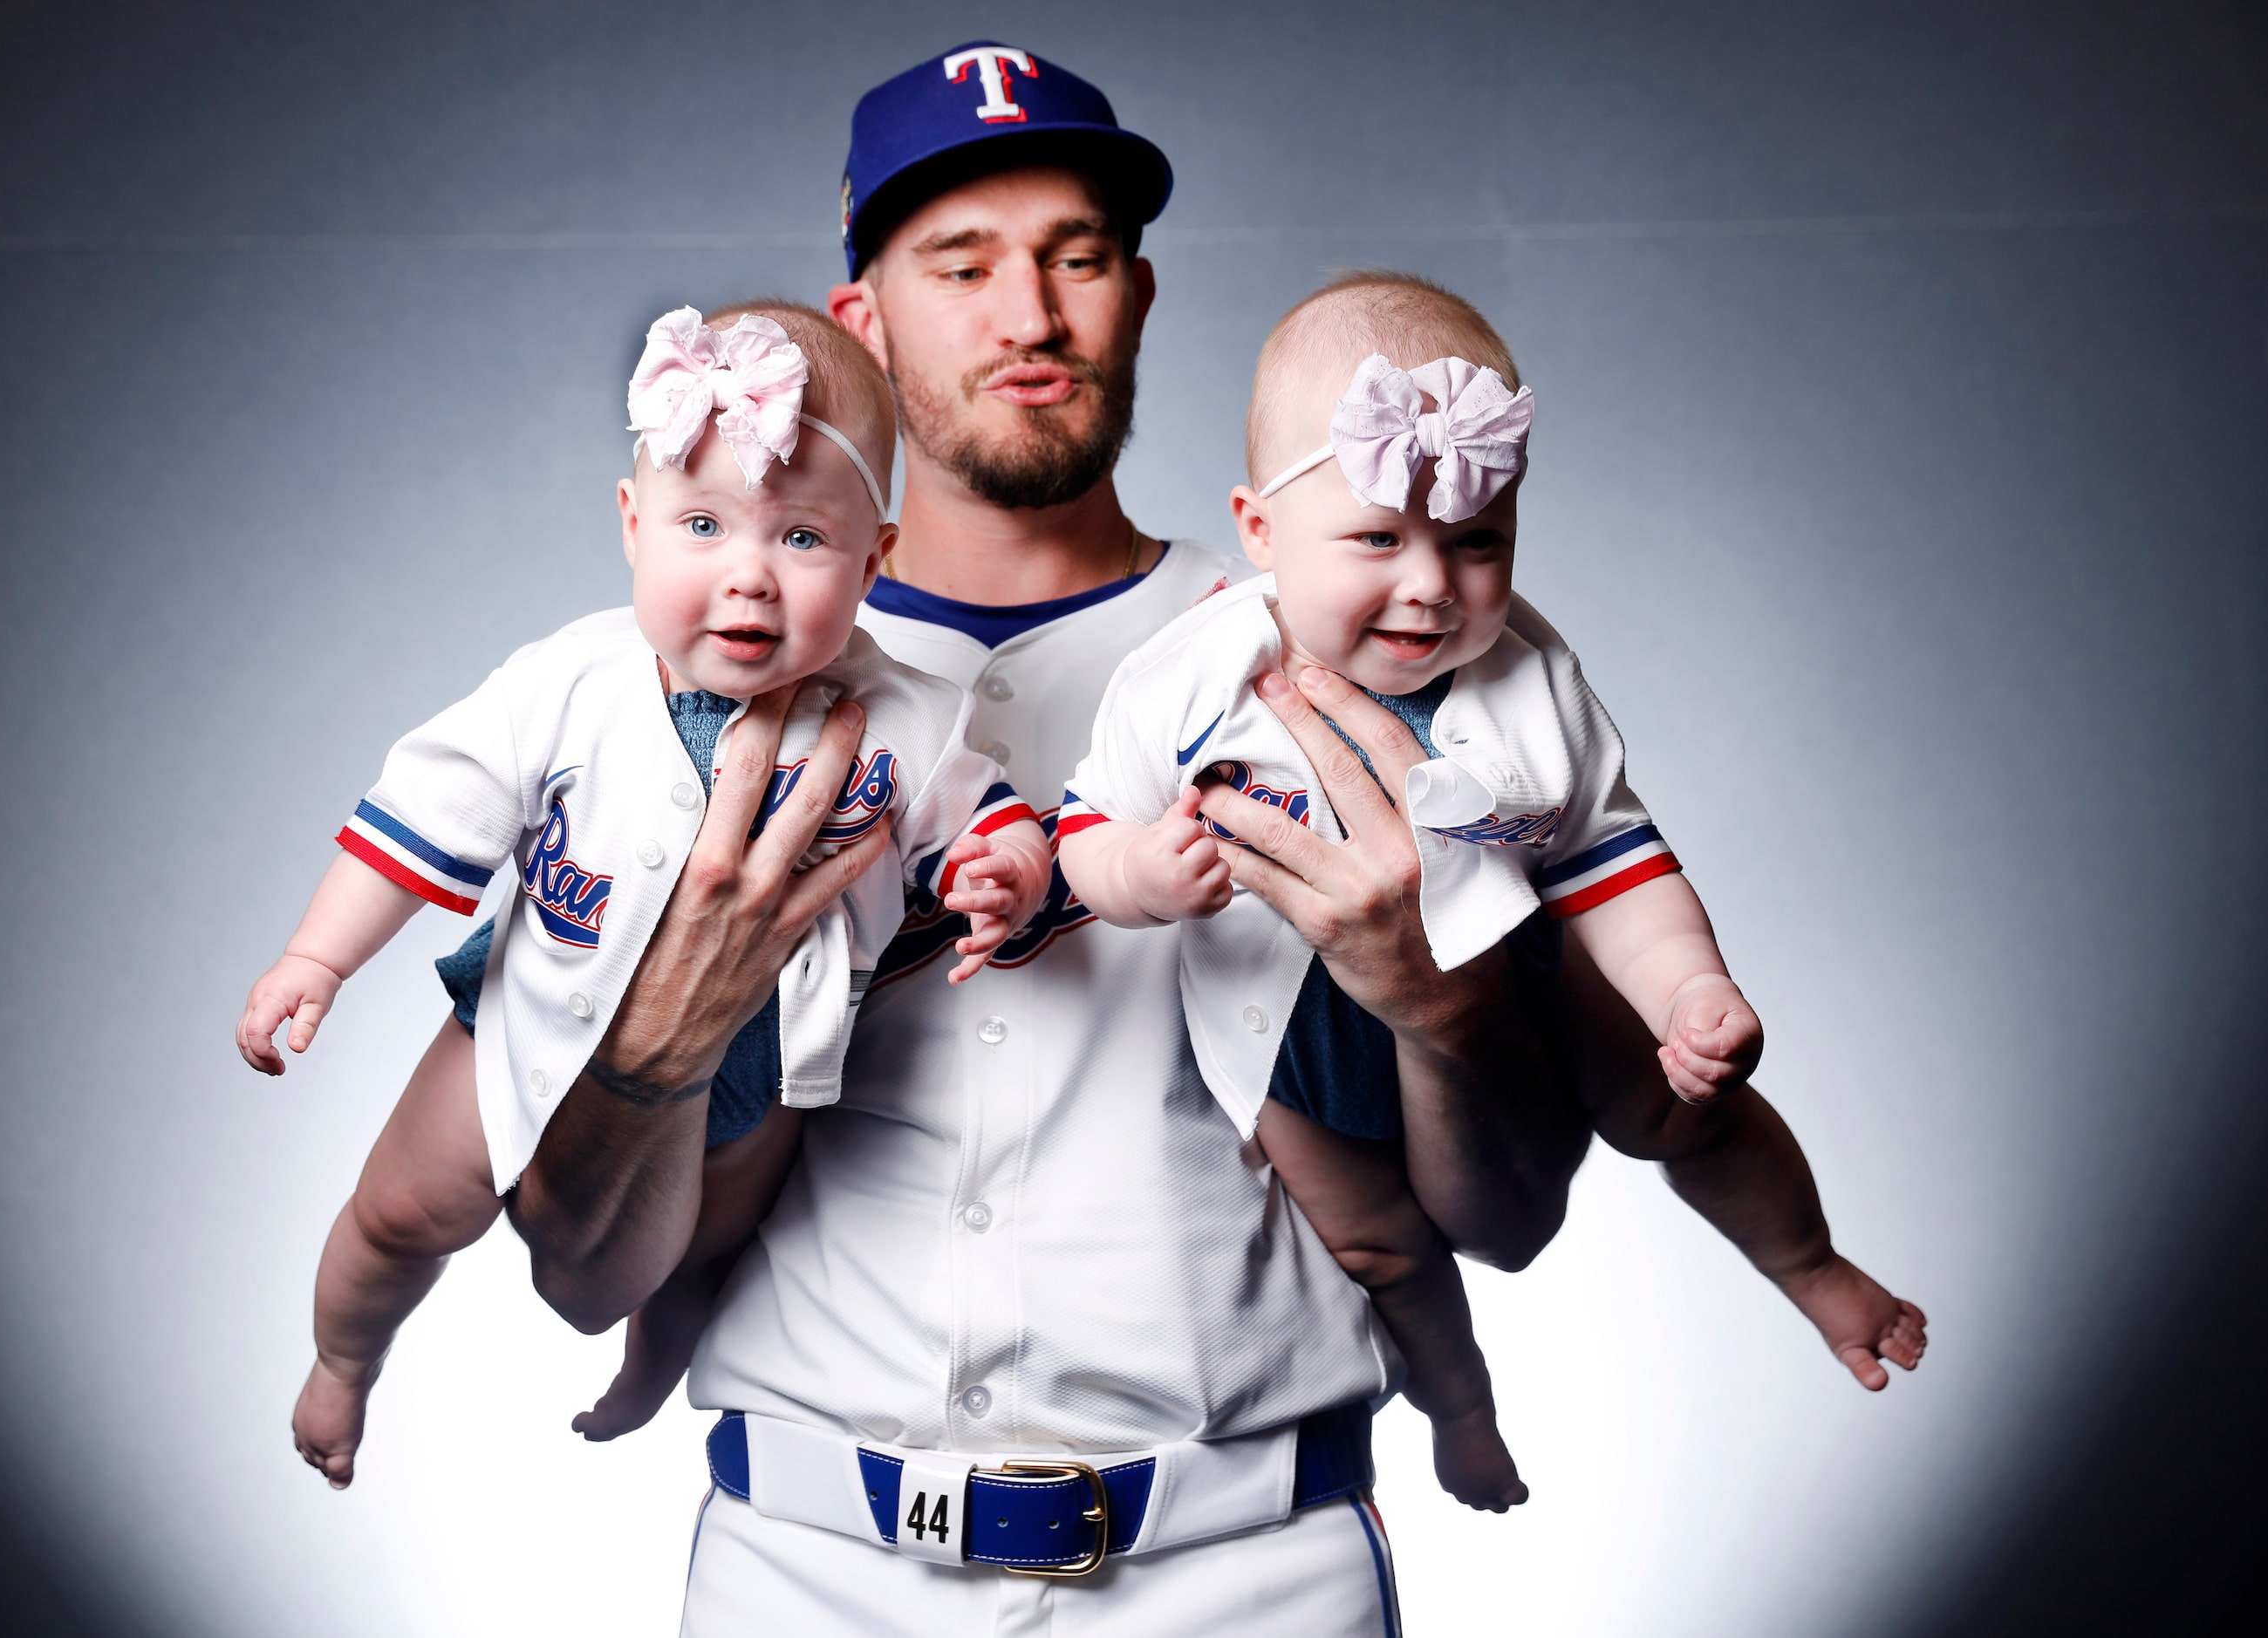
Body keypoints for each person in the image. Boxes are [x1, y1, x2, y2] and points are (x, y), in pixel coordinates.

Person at [510, 44, 1591, 1634]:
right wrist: (664, 1033)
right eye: (961, 263)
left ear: (1138, 296)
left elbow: (1511, 1218)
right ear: (860, 320)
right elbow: (575, 1267)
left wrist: (1436, 1001)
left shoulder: (1359, 651)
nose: (1029, 314)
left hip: (1244, 1568)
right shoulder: (664, 696)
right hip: (813, 1569)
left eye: (1075, 258)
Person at [1055, 271, 1928, 1506]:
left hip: (1513, 961)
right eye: (1377, 539)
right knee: (1379, 1248)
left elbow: (1611, 859)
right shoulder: (1189, 675)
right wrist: (1139, 872)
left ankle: (1808, 1258)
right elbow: (1085, 822)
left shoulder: (1525, 678)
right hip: (1280, 1027)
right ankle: (1458, 1409)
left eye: (1476, 542)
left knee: (1680, 1103)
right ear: (1257, 529)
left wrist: (1691, 986)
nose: (1430, 587)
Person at [236, 300, 1052, 1488]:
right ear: (633, 525)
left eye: (801, 541)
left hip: (768, 1060)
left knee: (710, 1253)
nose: (748, 578)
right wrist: (315, 960)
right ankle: (341, 1360)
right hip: (520, 1014)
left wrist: (1004, 865)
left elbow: (974, 808)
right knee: (399, 1210)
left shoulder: (904, 713)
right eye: (705, 524)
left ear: (878, 555)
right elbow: (421, 814)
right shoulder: (563, 683)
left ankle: (649, 1368)